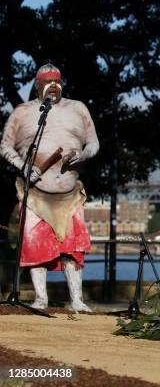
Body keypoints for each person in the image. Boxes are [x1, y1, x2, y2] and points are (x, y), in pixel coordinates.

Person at [0, 63, 99, 312]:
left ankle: (76, 299)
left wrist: (82, 154)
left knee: (72, 248)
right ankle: (41, 298)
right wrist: (23, 166)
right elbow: (5, 147)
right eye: (48, 81)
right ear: (38, 85)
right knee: (35, 246)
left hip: (69, 194)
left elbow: (94, 144)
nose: (54, 84)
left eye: (57, 80)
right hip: (34, 194)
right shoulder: (23, 112)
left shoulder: (78, 109)